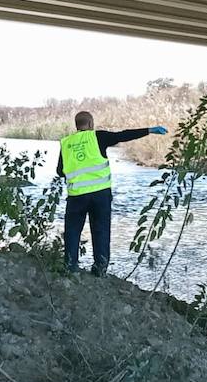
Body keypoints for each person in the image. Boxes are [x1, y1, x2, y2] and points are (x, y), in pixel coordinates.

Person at [57, 111, 167, 275]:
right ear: (91, 124)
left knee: (73, 231)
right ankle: (100, 269)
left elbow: (60, 171)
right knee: (101, 229)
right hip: (100, 195)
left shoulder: (66, 143)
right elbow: (122, 136)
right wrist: (149, 130)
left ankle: (71, 267)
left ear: (76, 125)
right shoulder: (98, 136)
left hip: (77, 196)